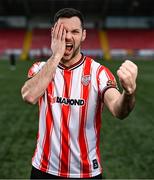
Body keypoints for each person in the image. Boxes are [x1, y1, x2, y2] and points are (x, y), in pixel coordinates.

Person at [21, 8, 138, 179]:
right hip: (44, 170)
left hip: (86, 173)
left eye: (74, 31)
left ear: (83, 35)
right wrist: (56, 56)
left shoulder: (98, 72)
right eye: (62, 31)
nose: (68, 37)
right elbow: (29, 96)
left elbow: (118, 110)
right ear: (53, 33)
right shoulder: (40, 68)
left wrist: (129, 92)